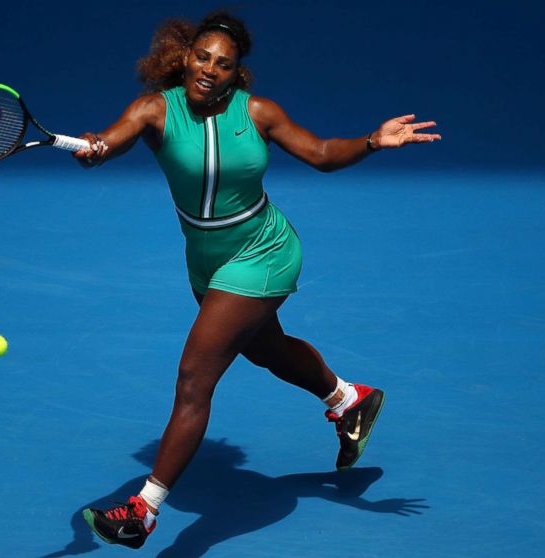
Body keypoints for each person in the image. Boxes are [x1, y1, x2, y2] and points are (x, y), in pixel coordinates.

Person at [73, 11, 440, 549]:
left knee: (195, 379)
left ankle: (144, 510)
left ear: (236, 74)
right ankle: (347, 397)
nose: (209, 70)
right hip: (205, 258)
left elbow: (319, 153)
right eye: (202, 57)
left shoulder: (259, 113)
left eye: (224, 64)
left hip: (262, 250)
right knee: (265, 348)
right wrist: (94, 147)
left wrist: (372, 141)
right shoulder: (154, 110)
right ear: (184, 58)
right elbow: (111, 140)